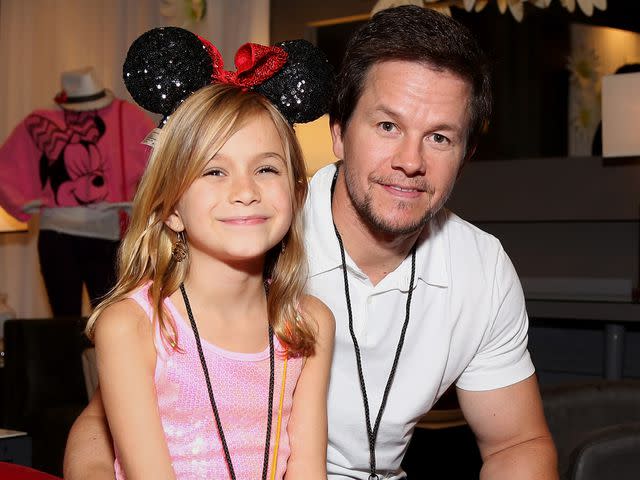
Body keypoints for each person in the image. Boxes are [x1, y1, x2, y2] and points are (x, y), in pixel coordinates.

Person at [65, 6, 557, 479]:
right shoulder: (249, 227)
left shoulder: (480, 267)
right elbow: (107, 419)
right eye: (388, 126)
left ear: (468, 153)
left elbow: (518, 443)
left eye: (440, 138)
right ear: (338, 134)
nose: (411, 160)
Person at [85, 80, 334, 479]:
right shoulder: (131, 327)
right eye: (214, 171)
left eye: (266, 168)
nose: (245, 190)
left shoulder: (310, 322)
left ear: (297, 193)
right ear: (171, 210)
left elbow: (308, 469)